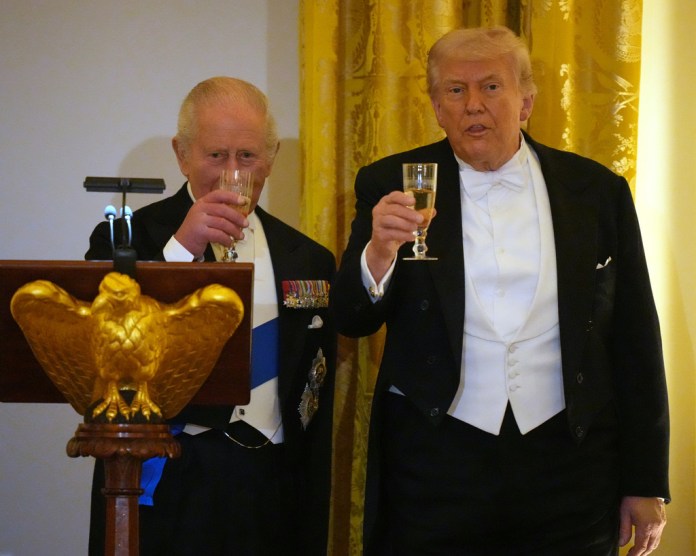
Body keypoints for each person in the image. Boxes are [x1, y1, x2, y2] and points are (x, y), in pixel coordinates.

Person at [330, 26, 669, 556]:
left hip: (570, 465)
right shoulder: (390, 184)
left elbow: (636, 337)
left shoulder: (596, 190)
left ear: (526, 101)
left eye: (491, 87)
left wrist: (645, 479)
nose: (473, 105)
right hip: (435, 466)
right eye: (455, 90)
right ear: (437, 108)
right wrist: (378, 254)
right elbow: (351, 319)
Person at [85, 76, 336, 555]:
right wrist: (183, 249)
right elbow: (102, 343)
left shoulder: (309, 257)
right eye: (216, 155)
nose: (232, 174)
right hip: (167, 476)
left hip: (271, 484)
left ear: (271, 157)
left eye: (248, 156)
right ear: (182, 154)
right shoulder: (125, 239)